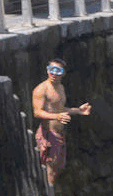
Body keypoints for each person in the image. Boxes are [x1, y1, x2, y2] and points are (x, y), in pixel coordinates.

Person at [31, 58, 90, 186]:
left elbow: (60, 109)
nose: (54, 73)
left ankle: (49, 194)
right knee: (49, 169)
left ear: (63, 73)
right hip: (48, 134)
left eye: (58, 70)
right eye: (51, 69)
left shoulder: (60, 88)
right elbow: (37, 112)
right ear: (47, 70)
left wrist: (78, 111)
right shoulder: (41, 89)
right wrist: (57, 117)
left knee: (58, 168)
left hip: (59, 134)